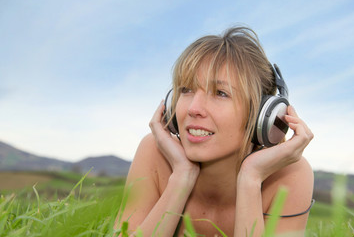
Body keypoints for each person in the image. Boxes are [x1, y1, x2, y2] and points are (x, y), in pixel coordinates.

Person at [115, 26, 314, 237]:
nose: (194, 109)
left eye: (220, 93)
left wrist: (251, 178)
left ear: (262, 114)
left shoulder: (290, 174)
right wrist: (181, 178)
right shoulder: (154, 152)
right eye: (187, 90)